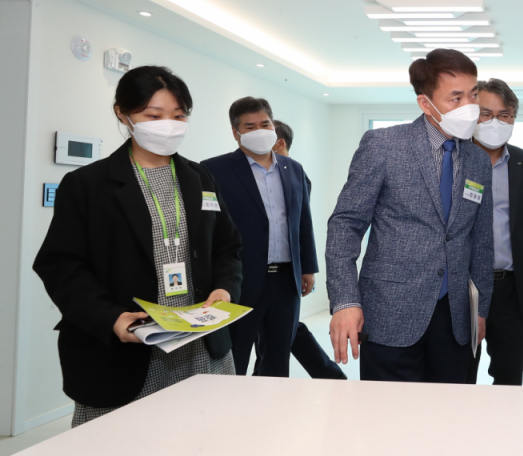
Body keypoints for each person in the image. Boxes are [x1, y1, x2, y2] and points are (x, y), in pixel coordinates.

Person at [33, 65, 243, 426]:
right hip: (125, 350)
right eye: (153, 115)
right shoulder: (87, 184)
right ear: (122, 113)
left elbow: (227, 247)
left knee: (203, 436)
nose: (169, 125)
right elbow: (61, 265)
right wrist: (111, 317)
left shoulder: (200, 177)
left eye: (179, 115)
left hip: (200, 345)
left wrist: (225, 289)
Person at [327, 48, 494, 383]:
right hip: (390, 312)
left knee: (448, 410)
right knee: (388, 412)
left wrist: (481, 311)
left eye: (473, 95)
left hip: (455, 319)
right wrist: (345, 301)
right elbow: (346, 225)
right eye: (456, 98)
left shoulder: (477, 160)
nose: (469, 107)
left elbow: (481, 241)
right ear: (425, 103)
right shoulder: (384, 145)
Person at [201, 98, 318, 377]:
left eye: (265, 124)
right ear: (236, 132)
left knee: (277, 357)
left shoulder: (293, 169)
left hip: (285, 279)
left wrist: (308, 268)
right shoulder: (213, 170)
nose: (260, 131)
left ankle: (272, 403)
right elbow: (208, 228)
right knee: (235, 355)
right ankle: (230, 404)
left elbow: (303, 220)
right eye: (250, 126)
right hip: (241, 278)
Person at [251, 119, 346, 380]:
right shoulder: (255, 174)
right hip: (259, 270)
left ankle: (329, 375)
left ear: (279, 143)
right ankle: (328, 375)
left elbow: (301, 227)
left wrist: (307, 268)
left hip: (283, 271)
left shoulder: (295, 175)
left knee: (284, 331)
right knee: (281, 331)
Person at [465, 79, 523, 385]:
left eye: (504, 115)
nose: (495, 122)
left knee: (510, 377)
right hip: (464, 288)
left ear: (513, 119)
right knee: (459, 377)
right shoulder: (454, 157)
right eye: (486, 114)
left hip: (510, 289)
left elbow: (520, 221)